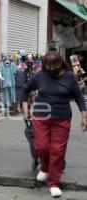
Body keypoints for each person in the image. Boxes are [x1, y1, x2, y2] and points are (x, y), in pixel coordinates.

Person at [22, 51, 87, 198]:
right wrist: (25, 108)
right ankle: (45, 167)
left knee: (57, 150)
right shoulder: (40, 75)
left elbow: (79, 97)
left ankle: (54, 183)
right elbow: (25, 89)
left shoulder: (69, 77)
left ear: (60, 63)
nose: (51, 68)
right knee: (41, 146)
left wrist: (84, 117)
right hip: (41, 117)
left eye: (54, 65)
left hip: (62, 118)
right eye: (48, 65)